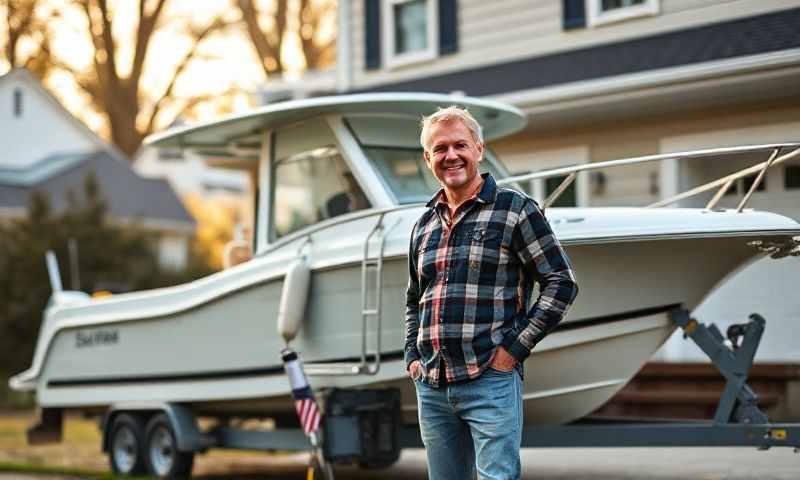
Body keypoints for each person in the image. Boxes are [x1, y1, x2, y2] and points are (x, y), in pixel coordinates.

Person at [405, 106, 579, 479]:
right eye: (440, 149)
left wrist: (512, 352)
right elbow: (413, 297)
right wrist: (411, 356)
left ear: (479, 150)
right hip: (433, 386)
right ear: (427, 158)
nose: (450, 156)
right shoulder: (423, 224)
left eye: (460, 145)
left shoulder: (515, 210)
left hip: (490, 380)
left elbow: (561, 283)